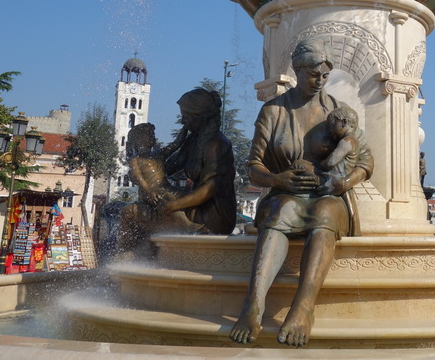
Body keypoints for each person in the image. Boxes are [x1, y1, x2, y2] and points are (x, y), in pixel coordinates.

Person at [230, 38, 374, 348]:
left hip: (328, 195)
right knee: (279, 213)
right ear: (297, 71)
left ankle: (303, 307)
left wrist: (343, 184)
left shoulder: (338, 111)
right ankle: (253, 305)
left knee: (325, 213)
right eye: (313, 74)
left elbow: (365, 161)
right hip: (285, 193)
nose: (320, 81)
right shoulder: (274, 111)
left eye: (325, 75)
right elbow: (254, 166)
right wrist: (279, 179)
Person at [160, 88, 238, 234]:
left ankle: (143, 253)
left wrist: (173, 205)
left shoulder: (217, 144)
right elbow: (165, 170)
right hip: (196, 207)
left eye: (186, 117)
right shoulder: (193, 140)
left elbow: (210, 188)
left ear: (201, 117)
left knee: (150, 216)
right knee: (154, 199)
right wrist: (175, 145)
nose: (183, 122)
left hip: (215, 215)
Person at [126, 123, 203, 232]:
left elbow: (176, 143)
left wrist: (186, 126)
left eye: (153, 133)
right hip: (153, 192)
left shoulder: (158, 154)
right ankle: (188, 225)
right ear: (138, 138)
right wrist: (148, 192)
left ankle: (198, 220)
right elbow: (138, 177)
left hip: (165, 188)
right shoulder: (136, 160)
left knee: (188, 197)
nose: (152, 136)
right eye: (149, 134)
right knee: (171, 203)